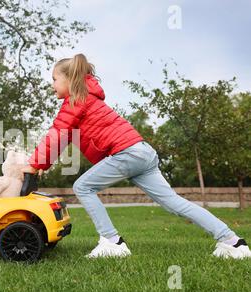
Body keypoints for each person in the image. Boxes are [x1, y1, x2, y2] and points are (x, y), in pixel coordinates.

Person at [22, 53, 251, 259]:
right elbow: (64, 137)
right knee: (174, 203)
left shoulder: (76, 100)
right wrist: (44, 163)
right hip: (142, 152)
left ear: (69, 79)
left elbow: (56, 133)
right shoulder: (86, 99)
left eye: (54, 79)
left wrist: (34, 164)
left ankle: (112, 242)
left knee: (83, 186)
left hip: (128, 153)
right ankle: (233, 242)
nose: (51, 85)